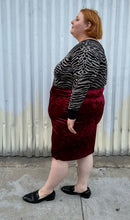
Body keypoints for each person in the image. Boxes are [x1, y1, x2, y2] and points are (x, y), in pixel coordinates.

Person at [23, 8, 107, 203]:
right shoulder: (92, 47)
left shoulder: (87, 48)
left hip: (75, 110)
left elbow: (83, 81)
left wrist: (71, 113)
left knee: (61, 153)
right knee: (85, 147)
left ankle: (46, 191)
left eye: (77, 19)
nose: (72, 21)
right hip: (87, 107)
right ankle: (81, 187)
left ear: (88, 25)